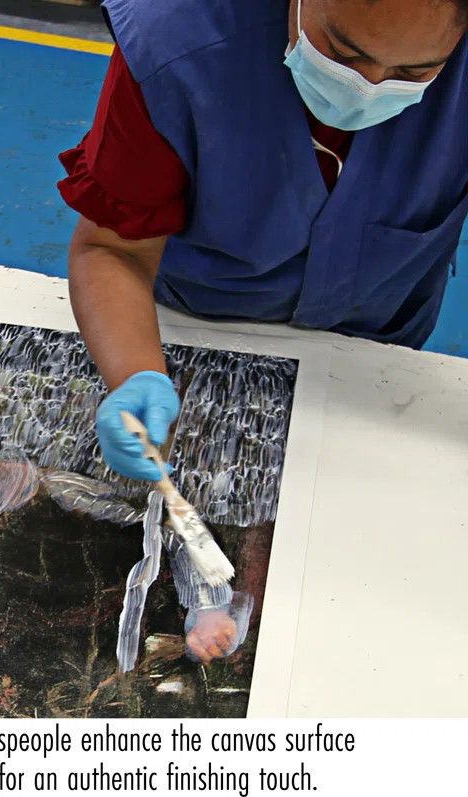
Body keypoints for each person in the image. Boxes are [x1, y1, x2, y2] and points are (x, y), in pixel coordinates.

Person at [59, 0, 468, 479]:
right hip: (194, 321)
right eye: (343, 52)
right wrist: (136, 374)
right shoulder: (174, 42)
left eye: (414, 71)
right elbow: (113, 248)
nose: (369, 86)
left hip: (376, 345)